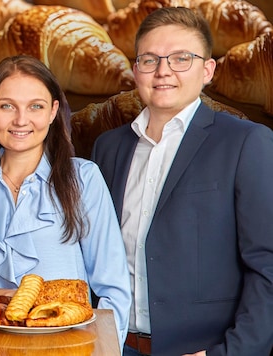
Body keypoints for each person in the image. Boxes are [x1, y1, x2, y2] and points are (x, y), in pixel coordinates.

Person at [91, 7, 273, 356]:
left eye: (180, 59)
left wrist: (230, 353)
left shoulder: (246, 143)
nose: (163, 71)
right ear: (135, 69)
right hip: (112, 345)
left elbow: (268, 266)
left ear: (207, 70)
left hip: (200, 350)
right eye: (150, 59)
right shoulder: (108, 147)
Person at [0, 55, 131, 350]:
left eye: (35, 106)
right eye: (7, 106)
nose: (21, 120)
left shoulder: (84, 179)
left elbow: (113, 288)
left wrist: (106, 350)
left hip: (68, 348)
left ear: (52, 112)